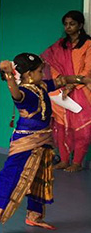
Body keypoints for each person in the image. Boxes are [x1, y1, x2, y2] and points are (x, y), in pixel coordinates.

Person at [0, 53, 91, 233]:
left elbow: (63, 80)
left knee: (39, 177)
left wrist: (83, 79)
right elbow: (15, 94)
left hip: (44, 140)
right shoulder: (26, 93)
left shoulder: (41, 86)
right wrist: (9, 76)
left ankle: (34, 216)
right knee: (10, 177)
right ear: (29, 74)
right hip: (25, 141)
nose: (44, 74)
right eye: (40, 71)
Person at [41, 10, 91, 172]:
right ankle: (64, 159)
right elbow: (52, 65)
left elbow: (87, 71)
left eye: (72, 24)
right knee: (61, 126)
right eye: (66, 24)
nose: (68, 27)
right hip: (61, 92)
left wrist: (71, 85)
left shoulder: (88, 44)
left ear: (80, 25)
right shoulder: (60, 45)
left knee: (82, 128)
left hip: (82, 91)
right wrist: (62, 83)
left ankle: (77, 162)